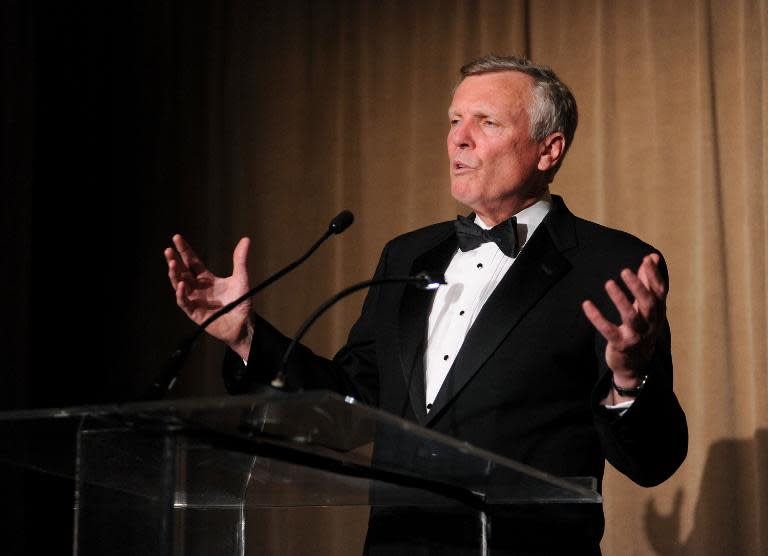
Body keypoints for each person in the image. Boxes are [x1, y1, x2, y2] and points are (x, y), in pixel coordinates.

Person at [165, 55, 687, 554]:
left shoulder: (613, 265)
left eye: (486, 122)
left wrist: (629, 381)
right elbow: (354, 404)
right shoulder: (408, 255)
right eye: (455, 120)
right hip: (399, 545)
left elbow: (654, 460)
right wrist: (245, 336)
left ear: (548, 150)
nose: (458, 138)